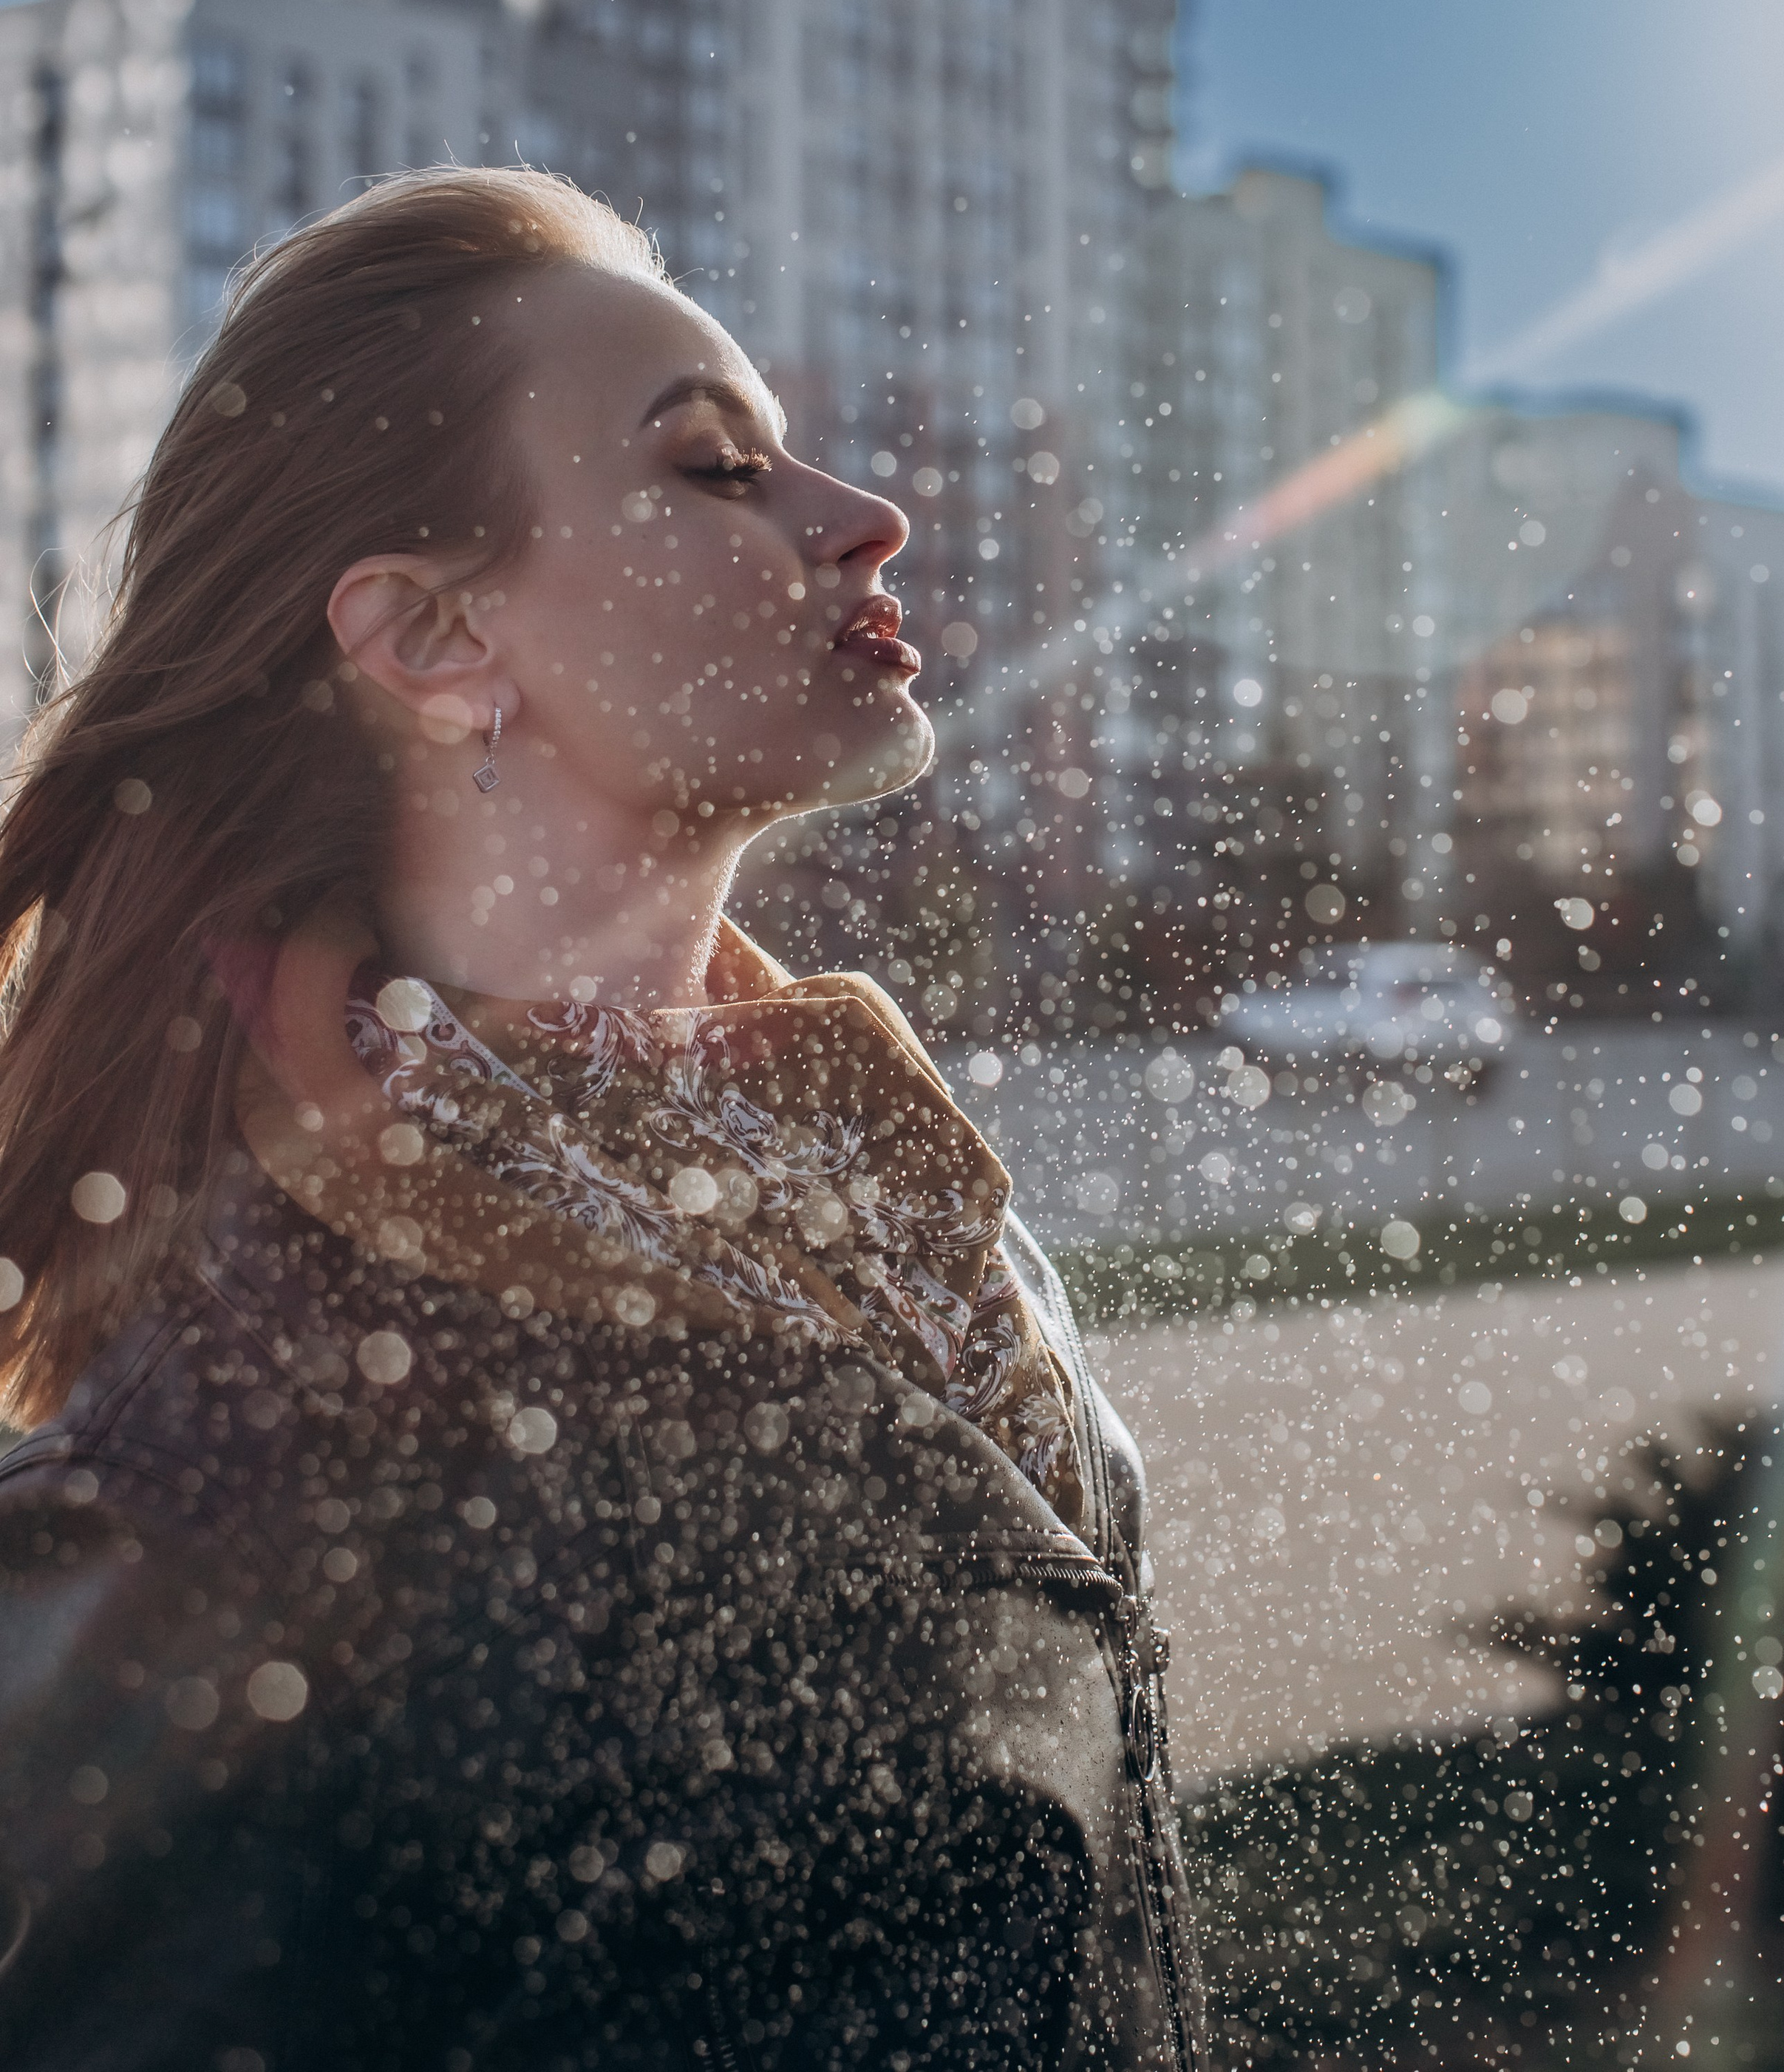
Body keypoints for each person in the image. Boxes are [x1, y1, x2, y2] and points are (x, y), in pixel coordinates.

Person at [0, 168, 1200, 2070]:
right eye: (716, 470)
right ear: (431, 641)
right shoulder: (252, 1420)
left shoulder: (896, 1201)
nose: (864, 517)